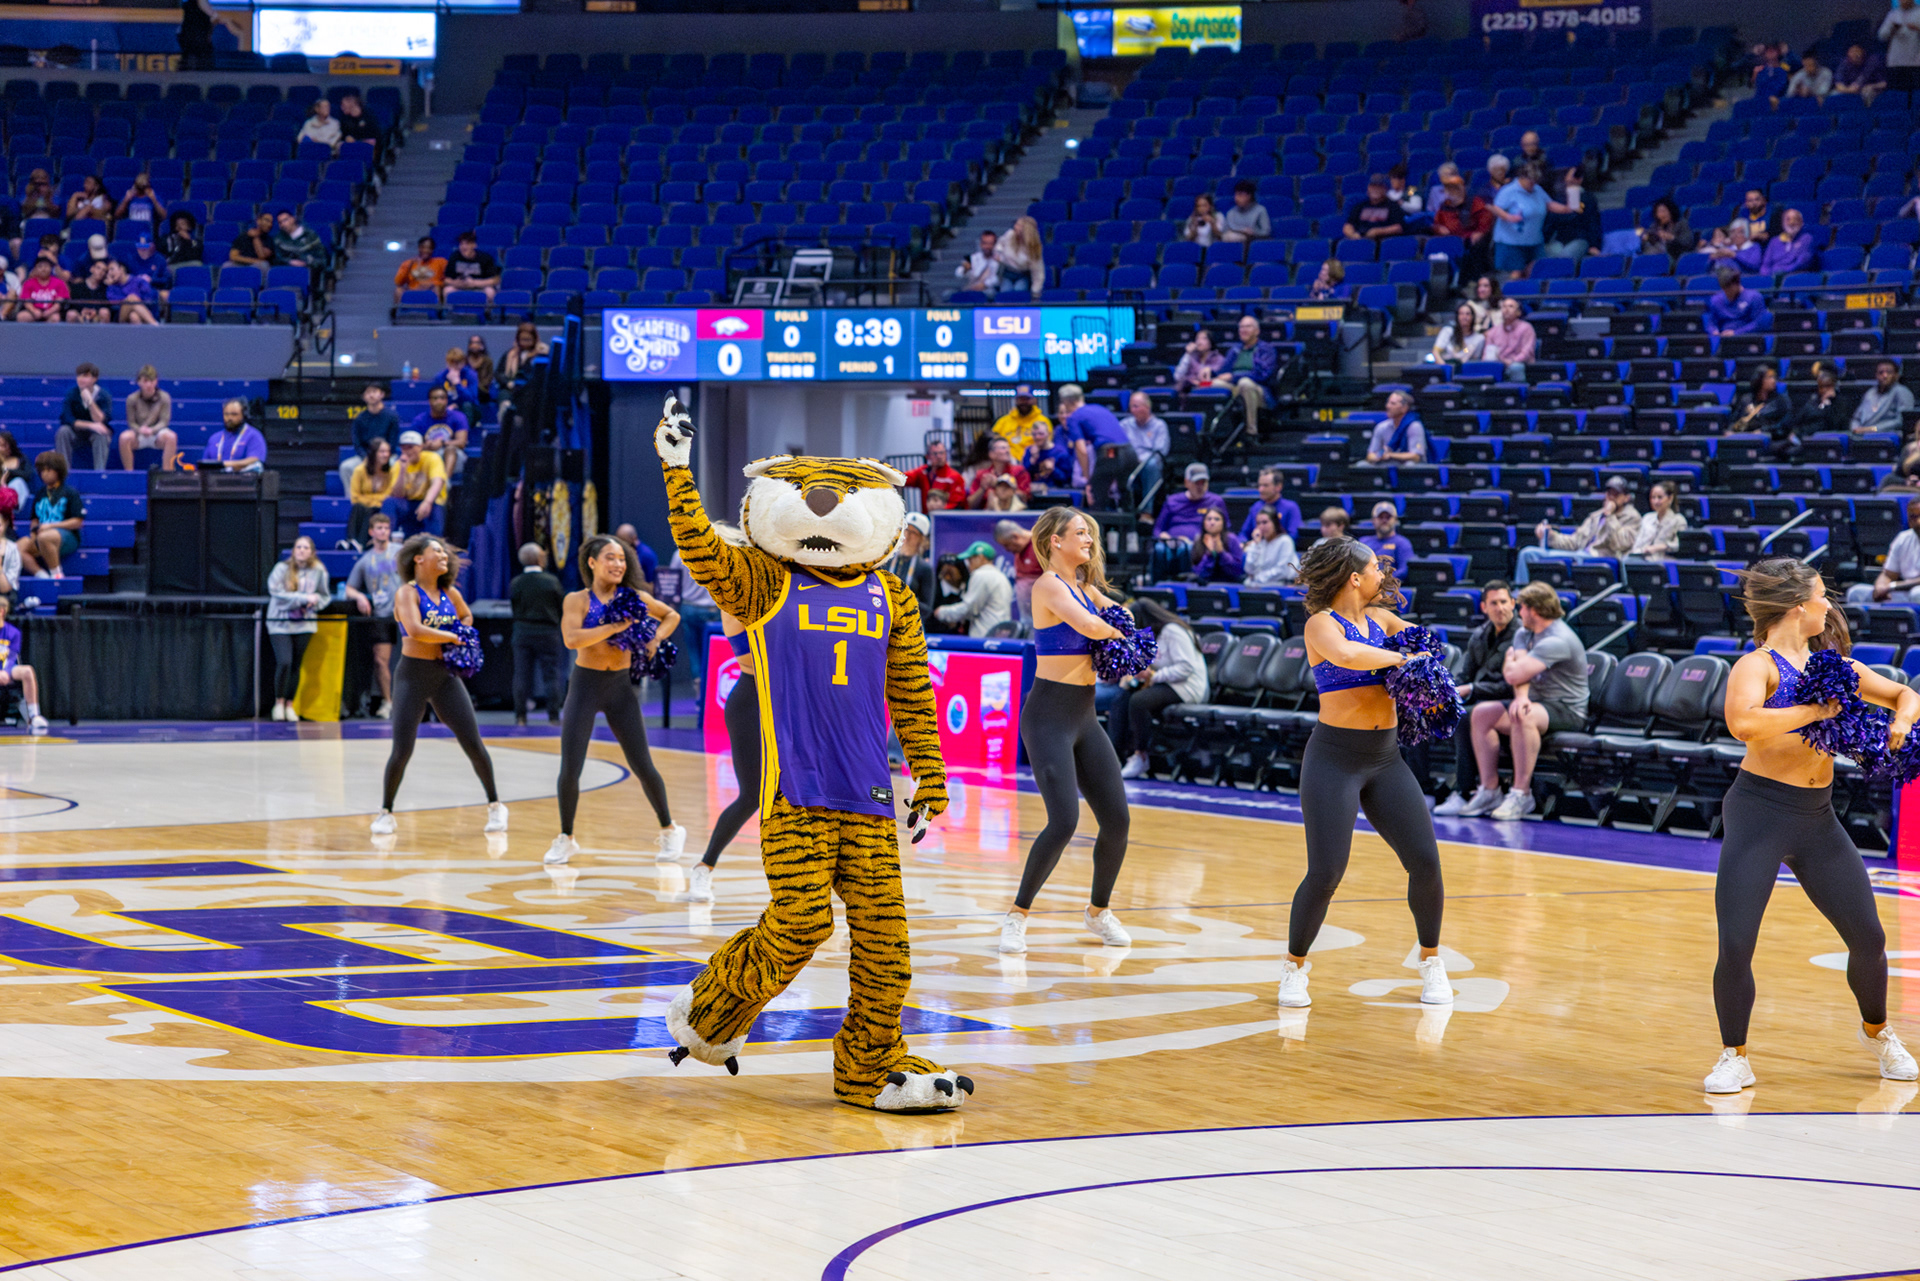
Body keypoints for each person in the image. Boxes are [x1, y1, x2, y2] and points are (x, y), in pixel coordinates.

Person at [1705, 558, 1919, 1094]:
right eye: (1823, 595)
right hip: (1758, 812)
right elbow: (1744, 723)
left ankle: (1878, 1032)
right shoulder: (1757, 665)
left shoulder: (1834, 667)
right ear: (1799, 607)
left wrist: (1900, 722)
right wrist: (1817, 712)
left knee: (1868, 937)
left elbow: (1905, 694)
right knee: (1737, 942)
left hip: (1817, 817)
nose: (1829, 604)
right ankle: (1734, 1056)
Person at [1279, 538, 1451, 1009]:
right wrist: (1401, 659)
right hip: (1334, 759)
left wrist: (1427, 665)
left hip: (1386, 759)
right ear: (1354, 578)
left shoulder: (1382, 620)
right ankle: (1294, 968)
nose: (1383, 573)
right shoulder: (1320, 625)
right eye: (1375, 567)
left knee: (1425, 862)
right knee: (1326, 872)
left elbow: (1427, 643)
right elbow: (1349, 656)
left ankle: (1431, 962)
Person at [998, 507, 1133, 954]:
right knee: (1064, 821)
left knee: (1117, 820)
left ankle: (1098, 911)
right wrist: (1122, 636)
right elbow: (1093, 626)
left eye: (1090, 533)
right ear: (1055, 541)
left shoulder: (1085, 588)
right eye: (1080, 532)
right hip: (1048, 718)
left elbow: (1122, 614)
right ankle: (1017, 916)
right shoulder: (1049, 585)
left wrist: (1126, 625)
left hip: (1084, 718)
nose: (1089, 539)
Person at [545, 534, 684, 867]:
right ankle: (566, 838)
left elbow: (671, 616)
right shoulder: (577, 600)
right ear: (592, 562)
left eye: (622, 558)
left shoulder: (634, 597)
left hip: (620, 688)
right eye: (610, 557)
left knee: (642, 765)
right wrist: (614, 627)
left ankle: (669, 829)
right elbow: (571, 639)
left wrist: (654, 638)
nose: (618, 564)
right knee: (571, 767)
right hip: (585, 687)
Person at [370, 534, 506, 838]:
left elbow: (466, 615)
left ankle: (496, 805)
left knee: (473, 743)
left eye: (446, 553)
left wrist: (462, 628)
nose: (444, 556)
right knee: (402, 750)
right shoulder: (407, 593)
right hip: (412, 676)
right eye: (437, 551)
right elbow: (415, 630)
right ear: (418, 559)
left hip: (445, 677)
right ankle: (386, 812)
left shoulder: (450, 593)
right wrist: (454, 637)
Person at [1458, 583, 1589, 821]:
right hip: (1536, 703)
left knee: (1522, 715)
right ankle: (1490, 790)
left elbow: (1513, 675)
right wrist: (1521, 697)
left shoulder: (1557, 640)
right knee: (1482, 713)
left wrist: (1511, 664)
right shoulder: (1524, 633)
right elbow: (1520, 676)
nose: (1518, 613)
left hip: (1567, 709)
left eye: (1522, 608)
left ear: (1534, 610)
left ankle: (1521, 793)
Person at [693, 524, 759, 904]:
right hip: (752, 702)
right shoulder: (732, 603)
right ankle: (704, 867)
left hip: (790, 701)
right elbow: (761, 657)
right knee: (751, 795)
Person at [1431, 581, 1521, 815]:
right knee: (1426, 710)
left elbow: (1511, 686)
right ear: (1484, 607)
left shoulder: (1522, 637)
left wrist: (1471, 689)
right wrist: (1447, 692)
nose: (1500, 608)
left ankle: (1464, 791)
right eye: (1494, 603)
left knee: (1464, 717)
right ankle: (1424, 789)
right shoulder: (1479, 635)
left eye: (1504, 602)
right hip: (1478, 699)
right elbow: (1464, 675)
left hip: (1505, 702)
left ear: (1513, 603)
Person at [1113, 597, 1206, 778]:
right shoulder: (1154, 635)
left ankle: (1141, 756)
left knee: (1139, 701)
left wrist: (1153, 676)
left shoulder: (1173, 631)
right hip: (1166, 683)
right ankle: (1115, 756)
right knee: (1121, 698)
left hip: (1188, 687)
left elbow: (1186, 668)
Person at [1519, 476, 1641, 582]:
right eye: (1609, 493)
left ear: (1626, 498)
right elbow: (1574, 542)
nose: (1611, 498)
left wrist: (1610, 516)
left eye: (1616, 494)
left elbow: (1620, 544)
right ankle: (1520, 594)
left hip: (1600, 559)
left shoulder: (1632, 517)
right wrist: (1551, 536)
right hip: (1580, 554)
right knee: (1528, 553)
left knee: (1577, 558)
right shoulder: (1596, 516)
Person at [343, 512, 401, 718]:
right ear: (371, 532)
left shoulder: (400, 552)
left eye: (386, 528)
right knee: (380, 660)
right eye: (379, 528)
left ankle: (415, 703)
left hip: (403, 614)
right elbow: (349, 588)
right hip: (381, 614)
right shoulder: (366, 560)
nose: (383, 532)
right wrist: (360, 596)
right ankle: (388, 701)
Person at [266, 535, 328, 722]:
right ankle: (278, 703)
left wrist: (315, 602)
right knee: (285, 661)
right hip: (280, 622)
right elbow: (275, 592)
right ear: (293, 551)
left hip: (304, 623)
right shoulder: (281, 568)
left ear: (312, 552)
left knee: (296, 665)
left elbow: (324, 595)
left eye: (305, 548)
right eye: (298, 547)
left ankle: (290, 705)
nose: (301, 550)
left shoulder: (318, 571)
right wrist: (303, 598)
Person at [1056, 383, 1136, 510]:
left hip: (1110, 452)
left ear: (1066, 401)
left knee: (1096, 496)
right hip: (1130, 452)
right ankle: (1129, 522)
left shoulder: (1074, 417)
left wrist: (1088, 478)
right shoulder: (1099, 408)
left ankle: (1098, 522)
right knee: (1124, 492)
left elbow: (1081, 450)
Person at [1152, 461, 1229, 579]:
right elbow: (1158, 529)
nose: (1200, 486)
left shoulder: (1216, 501)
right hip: (1172, 543)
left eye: (1203, 482)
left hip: (1200, 543)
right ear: (1186, 482)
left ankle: (1187, 582)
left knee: (1187, 548)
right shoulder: (1172, 501)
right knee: (1159, 549)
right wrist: (1163, 536)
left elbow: (1225, 528)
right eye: (1196, 482)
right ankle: (1156, 584)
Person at [1213, 313, 1278, 440]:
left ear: (1257, 331)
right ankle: (1217, 431)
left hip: (1258, 390)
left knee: (1245, 382)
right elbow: (1223, 372)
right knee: (1213, 384)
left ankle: (1251, 432)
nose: (1243, 330)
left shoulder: (1266, 349)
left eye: (1247, 327)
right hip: (1235, 388)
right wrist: (1210, 373)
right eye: (1241, 327)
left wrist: (1234, 377)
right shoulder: (1235, 350)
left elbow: (1262, 375)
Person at [18, 452, 81, 580]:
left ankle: (57, 574)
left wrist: (51, 526)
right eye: (42, 471)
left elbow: (77, 521)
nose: (44, 474)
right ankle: (42, 576)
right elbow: (35, 519)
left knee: (45, 537)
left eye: (48, 470)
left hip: (67, 536)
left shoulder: (69, 492)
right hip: (42, 534)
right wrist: (33, 533)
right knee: (17, 547)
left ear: (58, 470)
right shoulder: (40, 493)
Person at [1849, 497, 1920, 603]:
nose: (1918, 521)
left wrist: (1892, 586)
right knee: (1855, 593)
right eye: (1913, 517)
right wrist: (1880, 587)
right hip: (1903, 593)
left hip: (1913, 592)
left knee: (1917, 593)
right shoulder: (1903, 538)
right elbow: (1888, 574)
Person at [934, 540, 1012, 637]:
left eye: (970, 560)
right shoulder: (1000, 576)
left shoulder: (981, 574)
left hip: (985, 635)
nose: (968, 564)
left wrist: (942, 612)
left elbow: (969, 609)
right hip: (1000, 634)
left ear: (980, 558)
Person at [342, 382, 400, 496]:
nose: (371, 395)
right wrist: (366, 458)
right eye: (368, 392)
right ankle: (353, 500)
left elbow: (393, 442)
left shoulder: (392, 417)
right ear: (364, 397)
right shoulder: (359, 419)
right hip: (367, 456)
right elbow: (357, 443)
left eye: (374, 391)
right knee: (346, 467)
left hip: (386, 456)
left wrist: (383, 457)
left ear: (382, 394)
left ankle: (389, 500)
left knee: (395, 467)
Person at [1490, 163, 1548, 276]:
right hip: (1510, 241)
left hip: (1533, 240)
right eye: (1530, 180)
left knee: (1536, 270)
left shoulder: (1538, 189)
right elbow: (1494, 208)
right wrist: (1509, 217)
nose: (1532, 183)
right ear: (1522, 177)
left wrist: (1567, 208)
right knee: (1516, 273)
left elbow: (1550, 204)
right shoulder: (1508, 190)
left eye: (1535, 181)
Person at [0, 596, 46, 733]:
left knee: (27, 671)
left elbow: (12, 656)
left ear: (2, 611)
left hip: (7, 669)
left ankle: (34, 715)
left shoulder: (13, 633)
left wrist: (5, 672)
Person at [118, 365, 177, 471]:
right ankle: (129, 473)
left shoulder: (164, 397)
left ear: (156, 381)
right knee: (124, 438)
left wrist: (152, 430)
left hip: (157, 432)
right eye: (145, 381)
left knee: (171, 437)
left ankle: (167, 472)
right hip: (139, 433)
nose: (149, 384)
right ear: (139, 382)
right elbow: (131, 422)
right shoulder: (132, 399)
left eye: (152, 381)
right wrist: (139, 429)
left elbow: (164, 421)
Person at [1431, 175, 1493, 276]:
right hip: (1449, 239)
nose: (1451, 191)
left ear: (1462, 189)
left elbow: (1485, 219)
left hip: (1468, 241)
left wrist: (1480, 232)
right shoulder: (1444, 206)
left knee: (1477, 248)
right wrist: (1438, 228)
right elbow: (1436, 224)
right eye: (1449, 189)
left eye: (1454, 188)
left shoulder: (1475, 202)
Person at [55, 363, 112, 470]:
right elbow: (68, 419)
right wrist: (91, 425)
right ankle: (64, 470)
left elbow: (101, 420)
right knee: (63, 431)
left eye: (85, 376)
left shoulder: (104, 396)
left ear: (94, 379)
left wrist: (89, 401)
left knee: (102, 434)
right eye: (79, 375)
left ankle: (99, 473)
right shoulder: (71, 394)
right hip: (76, 432)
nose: (81, 379)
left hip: (95, 434)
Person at [1538, 167, 1599, 261]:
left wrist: (1594, 245)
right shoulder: (1559, 199)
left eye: (1572, 177)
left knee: (1566, 257)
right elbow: (1551, 222)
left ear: (1580, 179)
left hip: (1580, 239)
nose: (1568, 179)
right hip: (1560, 240)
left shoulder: (1588, 199)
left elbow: (1593, 222)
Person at [886, 513, 935, 623]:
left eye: (913, 533)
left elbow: (927, 609)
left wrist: (905, 599)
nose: (907, 536)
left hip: (908, 625)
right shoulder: (887, 560)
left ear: (921, 539)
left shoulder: (924, 569)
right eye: (906, 530)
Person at [994, 518, 1042, 618]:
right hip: (1026, 615)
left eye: (1007, 545)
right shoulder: (1019, 549)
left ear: (1015, 536)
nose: (1006, 550)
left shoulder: (1041, 545)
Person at [202, 399, 266, 473]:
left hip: (243, 479)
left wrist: (224, 465)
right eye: (226, 414)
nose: (229, 418)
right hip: (216, 479)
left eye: (234, 414)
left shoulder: (254, 436)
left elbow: (254, 460)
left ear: (244, 415)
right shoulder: (214, 438)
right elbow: (204, 464)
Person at [902, 439, 966, 512]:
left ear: (946, 454)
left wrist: (939, 511)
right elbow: (903, 478)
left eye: (941, 453)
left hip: (946, 516)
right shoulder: (923, 472)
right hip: (927, 515)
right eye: (935, 454)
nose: (939, 456)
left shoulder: (954, 477)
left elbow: (957, 503)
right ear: (928, 456)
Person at [1852, 359, 1914, 434]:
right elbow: (1856, 418)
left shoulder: (1902, 392)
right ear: (1876, 375)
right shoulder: (1870, 393)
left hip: (1887, 434)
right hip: (1862, 434)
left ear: (1896, 375)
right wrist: (1855, 428)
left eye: (1889, 372)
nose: (1885, 376)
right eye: (1881, 372)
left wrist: (1872, 429)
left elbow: (1901, 421)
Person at [1364, 391, 1426, 465]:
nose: (1387, 406)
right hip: (1385, 463)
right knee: (1362, 465)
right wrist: (1378, 456)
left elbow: (1415, 456)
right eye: (1388, 403)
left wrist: (1390, 455)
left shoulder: (1414, 426)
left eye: (1393, 404)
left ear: (1404, 408)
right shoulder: (1381, 427)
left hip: (1405, 464)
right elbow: (1370, 455)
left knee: (1410, 464)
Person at [1731, 368, 1791, 444]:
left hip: (1771, 440)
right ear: (1759, 380)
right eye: (1769, 378)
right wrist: (1732, 431)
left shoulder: (1780, 401)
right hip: (1747, 439)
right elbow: (1738, 421)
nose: (1773, 381)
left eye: (1774, 377)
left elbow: (1783, 425)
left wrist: (1763, 431)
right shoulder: (1747, 400)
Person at [1630, 480, 1687, 561]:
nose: (1656, 501)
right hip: (1643, 560)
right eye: (1653, 498)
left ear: (1670, 498)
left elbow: (1679, 545)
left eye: (1660, 497)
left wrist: (1660, 547)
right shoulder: (1647, 518)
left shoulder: (1678, 520)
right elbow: (1637, 543)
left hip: (1664, 561)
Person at [967, 439, 1030, 512]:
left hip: (1014, 514)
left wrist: (998, 485)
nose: (1007, 451)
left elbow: (1025, 498)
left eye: (1008, 448)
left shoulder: (1019, 471)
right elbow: (970, 505)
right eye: (1003, 448)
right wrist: (982, 488)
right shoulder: (982, 475)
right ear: (991, 454)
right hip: (987, 516)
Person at [1484, 296, 1536, 382]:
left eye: (1511, 306)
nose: (1506, 309)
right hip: (1499, 364)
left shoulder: (1526, 328)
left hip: (1519, 364)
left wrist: (1511, 361)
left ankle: (1518, 389)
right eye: (1504, 306)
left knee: (1515, 367)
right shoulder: (1493, 331)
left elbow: (1526, 353)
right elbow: (1487, 353)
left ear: (1518, 312)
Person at [1240, 467, 1301, 541]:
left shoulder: (1291, 508)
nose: (1260, 490)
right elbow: (1243, 534)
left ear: (1278, 487)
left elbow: (1293, 536)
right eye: (1259, 485)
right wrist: (1244, 543)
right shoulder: (1256, 507)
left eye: (1265, 485)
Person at [991, 383, 1049, 458]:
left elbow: (1048, 445)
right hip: (1007, 463)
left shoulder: (1043, 421)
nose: (1023, 402)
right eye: (1021, 399)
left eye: (1027, 399)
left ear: (1033, 400)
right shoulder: (1003, 422)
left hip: (1035, 461)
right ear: (1016, 400)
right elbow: (993, 444)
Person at [1242, 508, 1298, 586]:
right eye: (1258, 523)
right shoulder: (1257, 542)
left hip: (1281, 585)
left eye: (1265, 522)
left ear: (1275, 523)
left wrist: (1258, 577)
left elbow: (1282, 571)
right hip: (1259, 584)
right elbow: (1249, 570)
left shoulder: (1285, 541)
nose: (1261, 527)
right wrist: (1256, 545)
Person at [1343, 173, 1406, 241]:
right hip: (1359, 239)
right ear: (1368, 188)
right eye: (1373, 187)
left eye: (1379, 187)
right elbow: (1348, 225)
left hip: (1382, 240)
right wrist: (1353, 235)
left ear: (1385, 189)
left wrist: (1378, 231)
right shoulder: (1360, 206)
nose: (1375, 190)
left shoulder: (1393, 206)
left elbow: (1398, 228)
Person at [1189, 507, 1244, 584]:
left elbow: (1237, 571)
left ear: (1223, 523)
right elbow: (1197, 573)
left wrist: (1222, 553)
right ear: (1204, 522)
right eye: (1209, 519)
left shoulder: (1232, 539)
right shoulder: (1199, 540)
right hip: (1204, 585)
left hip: (1229, 584)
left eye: (1217, 519)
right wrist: (1209, 554)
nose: (1212, 522)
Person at [1023, 420, 1076, 497]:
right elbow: (1023, 477)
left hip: (1055, 493)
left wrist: (1053, 469)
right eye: (1034, 434)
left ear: (1049, 434)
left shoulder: (1060, 452)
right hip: (1033, 493)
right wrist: (1032, 460)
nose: (1037, 437)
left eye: (1041, 434)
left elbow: (1066, 479)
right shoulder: (1029, 451)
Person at [444, 231, 501, 302]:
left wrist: (475, 283)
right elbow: (446, 279)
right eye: (461, 244)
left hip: (480, 286)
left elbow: (495, 280)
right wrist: (455, 283)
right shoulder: (454, 257)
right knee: (447, 290)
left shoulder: (485, 258)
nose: (464, 247)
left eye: (467, 244)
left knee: (490, 291)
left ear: (474, 245)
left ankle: (488, 309)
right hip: (460, 287)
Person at [995, 215, 1044, 296]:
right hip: (1007, 273)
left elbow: (1038, 273)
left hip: (1022, 275)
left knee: (1019, 291)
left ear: (1026, 229)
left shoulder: (1033, 248)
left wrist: (1035, 292)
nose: (1015, 226)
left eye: (1018, 225)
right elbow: (999, 243)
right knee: (1006, 292)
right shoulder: (1010, 234)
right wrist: (999, 254)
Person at [1758, 208, 1814, 277]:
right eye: (1788, 219)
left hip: (1794, 277)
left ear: (1801, 223)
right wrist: (1767, 276)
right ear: (1782, 223)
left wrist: (1782, 272)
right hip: (1773, 277)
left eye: (1795, 219)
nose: (1791, 223)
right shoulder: (1774, 241)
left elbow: (1802, 262)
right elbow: (1765, 265)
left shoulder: (1806, 239)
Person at [1360, 500, 1414, 570]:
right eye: (1380, 517)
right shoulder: (1363, 542)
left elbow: (1404, 570)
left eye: (1388, 517)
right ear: (1373, 520)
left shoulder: (1402, 543)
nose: (1384, 520)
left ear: (1395, 520)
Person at [104, 260, 159, 326]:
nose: (109, 273)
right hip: (121, 317)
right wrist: (131, 300)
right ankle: (155, 326)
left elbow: (149, 297)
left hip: (142, 313)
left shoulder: (138, 281)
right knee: (132, 298)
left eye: (112, 269)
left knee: (134, 316)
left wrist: (136, 301)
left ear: (121, 269)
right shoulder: (111, 287)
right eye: (108, 271)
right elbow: (114, 302)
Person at [393, 236, 446, 305]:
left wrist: (433, 284)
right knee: (398, 290)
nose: (426, 250)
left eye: (429, 248)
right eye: (423, 247)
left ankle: (438, 310)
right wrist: (409, 266)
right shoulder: (408, 263)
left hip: (432, 289)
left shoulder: (441, 262)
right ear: (419, 248)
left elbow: (448, 280)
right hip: (413, 289)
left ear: (433, 250)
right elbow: (398, 282)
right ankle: (398, 310)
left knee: (437, 288)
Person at [1172, 327, 1226, 392]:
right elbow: (1177, 376)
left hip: (1209, 390)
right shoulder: (1191, 357)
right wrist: (1187, 354)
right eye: (1197, 338)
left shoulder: (1219, 359)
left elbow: (1215, 380)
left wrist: (1198, 383)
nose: (1199, 342)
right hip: (1189, 390)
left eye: (1204, 338)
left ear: (1211, 342)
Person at [1884, 0, 1920, 94]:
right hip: (1896, 61)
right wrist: (1892, 29)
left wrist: (1917, 28)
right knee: (1896, 94)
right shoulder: (1893, 14)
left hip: (1915, 62)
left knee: (1915, 93)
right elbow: (1882, 35)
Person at [114, 173, 166, 239]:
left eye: (143, 187)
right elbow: (117, 215)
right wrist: (126, 200)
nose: (141, 190)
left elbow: (164, 216)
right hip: (131, 228)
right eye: (138, 187)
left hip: (146, 230)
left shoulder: (154, 197)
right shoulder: (129, 196)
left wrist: (154, 199)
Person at [954, 229, 1001, 295]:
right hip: (971, 288)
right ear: (981, 244)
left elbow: (997, 278)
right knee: (948, 294)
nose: (987, 247)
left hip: (988, 290)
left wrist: (985, 284)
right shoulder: (973, 258)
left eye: (990, 244)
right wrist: (965, 270)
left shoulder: (998, 259)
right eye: (985, 243)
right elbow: (958, 274)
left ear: (994, 244)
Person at [466, 335, 495, 404]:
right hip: (467, 390)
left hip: (482, 391)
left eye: (477, 343)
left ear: (482, 346)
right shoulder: (464, 361)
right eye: (472, 343)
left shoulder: (488, 361)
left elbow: (488, 380)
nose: (474, 345)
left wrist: (475, 388)